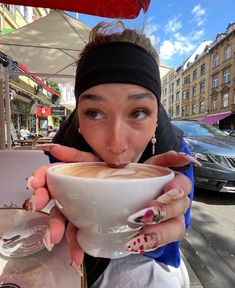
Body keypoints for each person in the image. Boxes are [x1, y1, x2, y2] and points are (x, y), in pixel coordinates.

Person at [23, 21, 200, 288]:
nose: (116, 144)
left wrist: (160, 234)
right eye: (95, 113)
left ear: (156, 118)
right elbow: (64, 221)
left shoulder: (176, 153)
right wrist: (62, 209)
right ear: (79, 120)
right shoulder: (65, 152)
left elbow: (173, 235)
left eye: (138, 113)